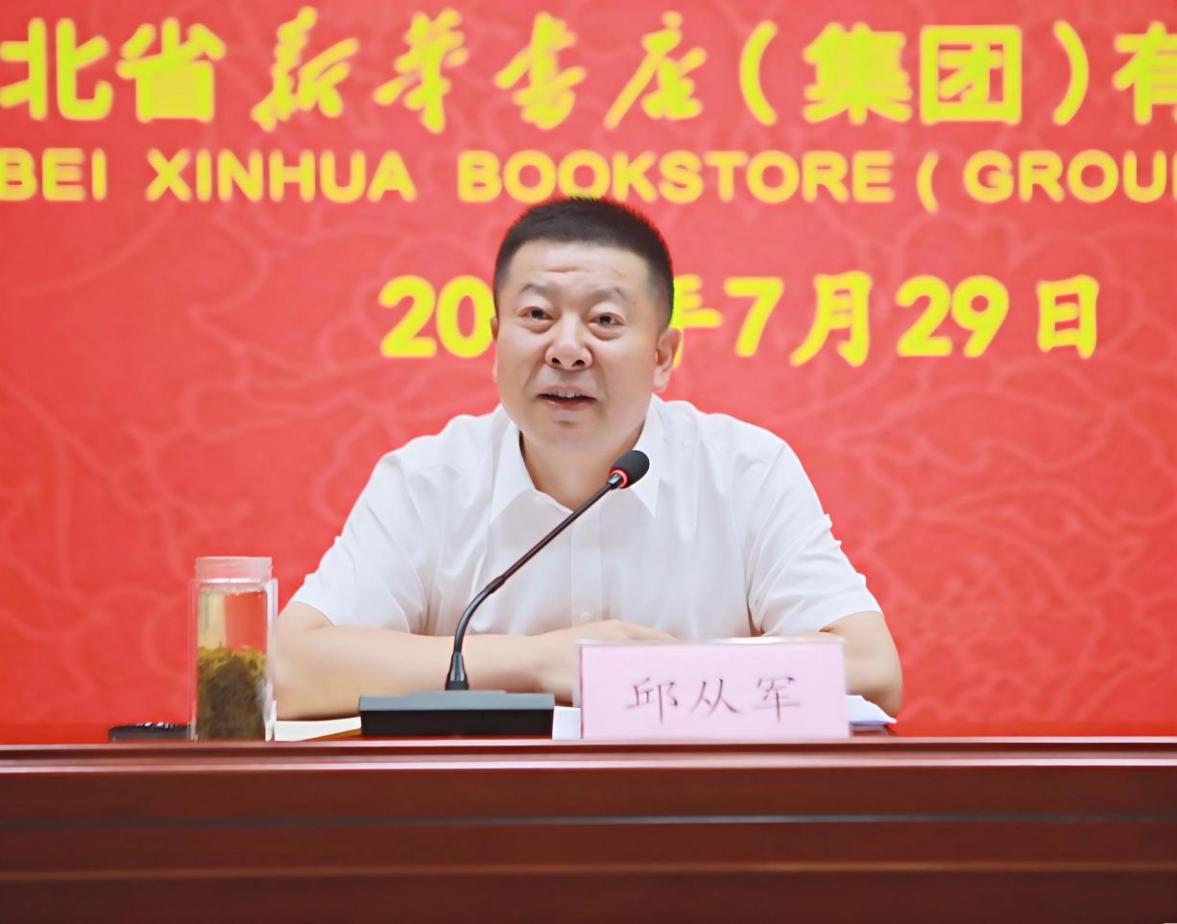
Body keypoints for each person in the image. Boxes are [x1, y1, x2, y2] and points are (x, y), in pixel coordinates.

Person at [274, 198, 902, 718]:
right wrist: (545, 662)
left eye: (604, 320)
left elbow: (872, 671)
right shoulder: (427, 482)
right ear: (495, 341)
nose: (567, 349)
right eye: (537, 315)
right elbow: (290, 669)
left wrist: (648, 676)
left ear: (662, 357)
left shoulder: (745, 472)